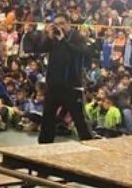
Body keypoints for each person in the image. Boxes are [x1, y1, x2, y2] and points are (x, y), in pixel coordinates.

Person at [38, 15, 93, 143]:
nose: (59, 26)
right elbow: (40, 48)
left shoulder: (77, 37)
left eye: (62, 23)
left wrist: (63, 40)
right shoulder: (54, 38)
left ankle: (89, 143)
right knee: (47, 117)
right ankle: (44, 145)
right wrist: (48, 37)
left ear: (69, 23)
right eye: (56, 24)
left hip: (71, 85)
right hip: (53, 84)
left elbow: (80, 52)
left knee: (79, 118)